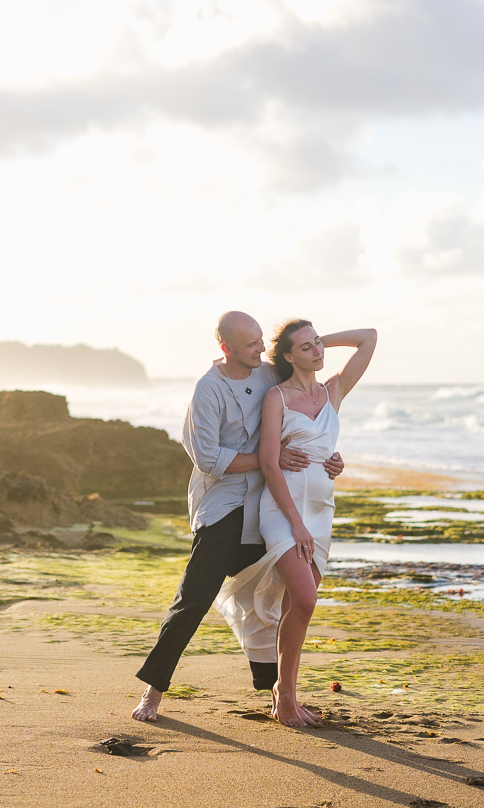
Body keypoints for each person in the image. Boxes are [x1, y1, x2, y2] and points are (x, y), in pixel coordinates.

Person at [131, 311, 344, 722]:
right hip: (224, 508)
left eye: (262, 340)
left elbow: (304, 419)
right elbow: (208, 458)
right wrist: (270, 460)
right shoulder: (208, 391)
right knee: (192, 600)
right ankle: (152, 693)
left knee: (274, 598)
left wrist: (327, 459)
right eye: (250, 344)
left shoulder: (267, 377)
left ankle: (278, 695)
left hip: (266, 508)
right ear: (226, 348)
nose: (260, 349)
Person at [215, 319, 376, 727]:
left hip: (322, 511)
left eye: (318, 344)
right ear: (287, 357)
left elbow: (368, 338)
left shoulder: (333, 391)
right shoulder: (276, 398)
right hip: (283, 511)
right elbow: (270, 462)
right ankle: (285, 698)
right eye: (305, 348)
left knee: (296, 608)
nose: (318, 352)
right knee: (305, 600)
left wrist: (323, 337)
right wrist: (296, 526)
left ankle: (285, 696)